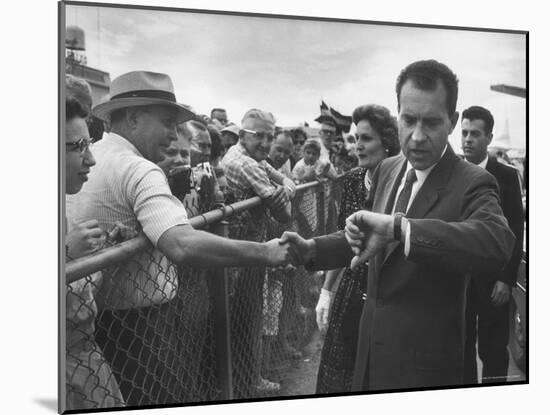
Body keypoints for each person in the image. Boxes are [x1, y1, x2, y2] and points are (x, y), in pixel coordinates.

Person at [281, 59, 515, 391]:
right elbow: (367, 236)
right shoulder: (389, 169)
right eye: (409, 120)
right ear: (398, 114)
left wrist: (403, 229)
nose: (417, 137)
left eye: (432, 123)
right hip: (368, 359)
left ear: (452, 121)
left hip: (423, 371)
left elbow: (497, 243)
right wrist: (314, 249)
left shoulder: (474, 181)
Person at [66, 71, 294, 404]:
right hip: (143, 329)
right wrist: (265, 252)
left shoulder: (91, 157)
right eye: (167, 123)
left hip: (98, 326)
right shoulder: (137, 168)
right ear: (132, 118)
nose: (174, 137)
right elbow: (181, 243)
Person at [315, 104, 400, 394]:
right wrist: (326, 292)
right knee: (342, 376)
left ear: (387, 142)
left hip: (388, 293)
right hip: (351, 290)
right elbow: (344, 241)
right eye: (355, 138)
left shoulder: (403, 182)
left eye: (366, 139)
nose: (358, 146)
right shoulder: (351, 180)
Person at [220, 108, 297, 395]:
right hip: (241, 256)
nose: (266, 144)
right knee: (247, 320)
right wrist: (284, 192)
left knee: (249, 318)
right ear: (242, 135)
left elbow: (286, 183)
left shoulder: (253, 158)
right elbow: (285, 213)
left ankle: (244, 381)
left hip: (247, 250)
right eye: (259, 137)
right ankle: (247, 383)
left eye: (270, 136)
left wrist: (284, 189)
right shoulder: (247, 164)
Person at [64, 91, 127, 410]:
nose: (90, 159)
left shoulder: (63, 204)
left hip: (87, 363)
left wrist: (100, 250)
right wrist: (65, 255)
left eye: (89, 144)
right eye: (78, 147)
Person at [461, 105, 524, 384]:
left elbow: (514, 230)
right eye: (464, 132)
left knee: (493, 350)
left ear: (489, 137)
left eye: (475, 133)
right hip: (458, 277)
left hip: (493, 279)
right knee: (459, 346)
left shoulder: (507, 176)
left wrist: (506, 279)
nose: (467, 139)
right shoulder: (451, 173)